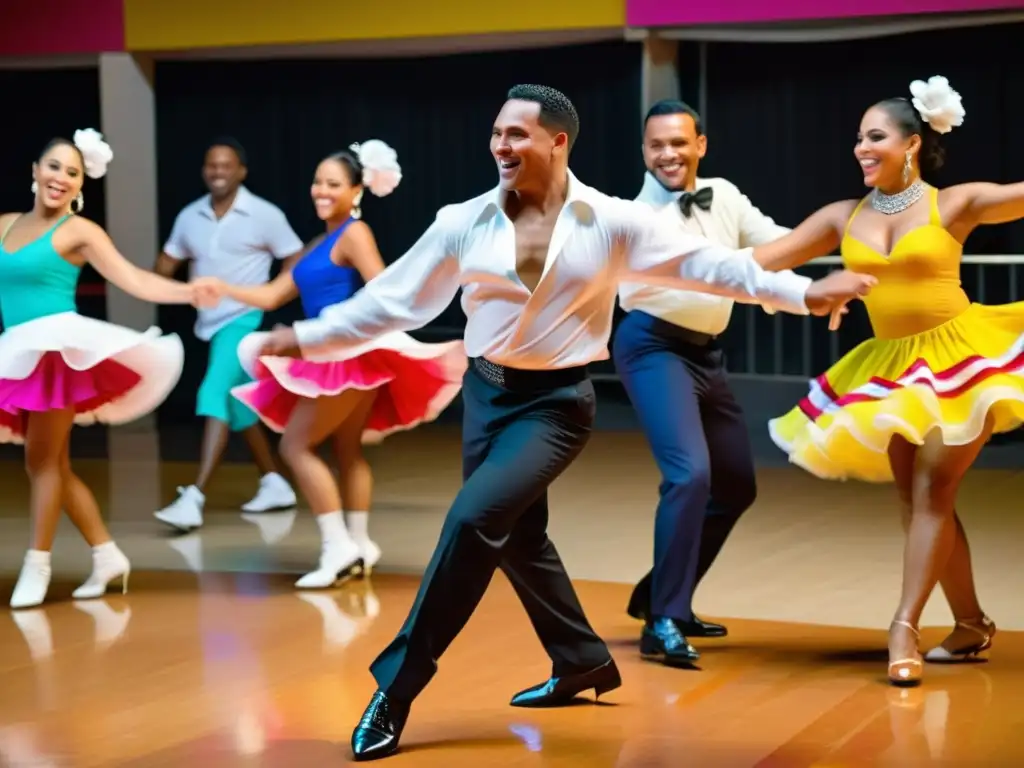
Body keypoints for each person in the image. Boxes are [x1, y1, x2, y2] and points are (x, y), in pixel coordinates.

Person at [213, 84, 874, 761]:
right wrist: (303, 338)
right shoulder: (462, 221)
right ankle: (582, 660)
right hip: (486, 396)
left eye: (517, 134)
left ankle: (397, 688)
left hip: (555, 407)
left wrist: (802, 292)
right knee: (518, 537)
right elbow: (390, 304)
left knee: (473, 521)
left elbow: (710, 266)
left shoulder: (613, 221)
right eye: (497, 132)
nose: (501, 145)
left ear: (558, 142)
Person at [760, 75, 1024, 686]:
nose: (860, 147)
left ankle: (902, 625)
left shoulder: (954, 203)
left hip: (964, 358)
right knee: (919, 501)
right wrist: (650, 267)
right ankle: (971, 623)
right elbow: (758, 266)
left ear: (910, 145)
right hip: (894, 368)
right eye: (858, 138)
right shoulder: (840, 216)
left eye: (874, 136)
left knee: (933, 490)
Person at [203, 141, 466, 588]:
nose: (321, 191)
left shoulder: (354, 234)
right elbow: (271, 295)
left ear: (356, 190)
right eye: (317, 182)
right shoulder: (317, 243)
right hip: (326, 353)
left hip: (345, 355)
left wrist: (336, 328)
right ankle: (360, 543)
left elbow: (382, 291)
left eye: (333, 184)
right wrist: (221, 287)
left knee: (295, 447)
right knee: (346, 450)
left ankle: (337, 547)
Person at [614, 99, 791, 665]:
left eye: (678, 143)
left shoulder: (727, 195)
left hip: (706, 355)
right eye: (656, 145)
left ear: (701, 145)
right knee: (689, 476)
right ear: (644, 152)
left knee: (736, 485)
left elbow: (776, 245)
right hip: (652, 347)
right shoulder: (636, 217)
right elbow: (728, 272)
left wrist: (849, 245)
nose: (668, 154)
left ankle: (660, 595)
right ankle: (663, 620)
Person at [0, 130, 204, 609]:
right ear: (34, 170)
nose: (60, 178)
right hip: (16, 354)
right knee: (48, 463)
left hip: (57, 355)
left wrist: (189, 292)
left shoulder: (79, 231)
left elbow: (134, 279)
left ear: (79, 184)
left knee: (44, 462)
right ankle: (108, 556)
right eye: (53, 167)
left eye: (72, 172)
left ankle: (38, 564)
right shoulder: (4, 224)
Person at [153, 137, 300, 532]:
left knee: (213, 392)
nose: (218, 172)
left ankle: (194, 497)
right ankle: (274, 483)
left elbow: (294, 254)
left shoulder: (263, 214)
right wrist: (156, 279)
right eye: (211, 165)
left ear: (241, 171)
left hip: (245, 319)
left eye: (226, 165)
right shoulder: (190, 216)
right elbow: (166, 261)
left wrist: (276, 292)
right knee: (238, 406)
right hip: (209, 324)